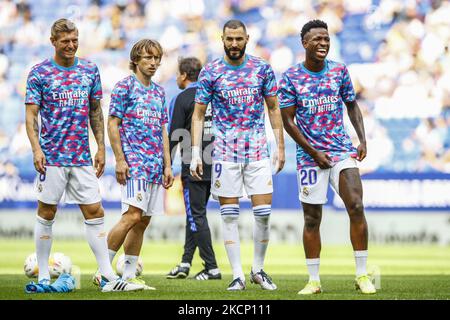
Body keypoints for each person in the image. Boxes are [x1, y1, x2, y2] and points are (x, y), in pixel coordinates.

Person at [24, 18, 143, 293]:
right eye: (65, 41)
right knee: (46, 211)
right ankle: (43, 276)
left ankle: (106, 276)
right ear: (53, 42)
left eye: (74, 40)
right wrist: (36, 149)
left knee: (94, 210)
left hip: (80, 156)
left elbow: (95, 111)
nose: (71, 45)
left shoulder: (89, 69)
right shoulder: (39, 73)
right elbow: (31, 116)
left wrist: (100, 147)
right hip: (51, 156)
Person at [278, 19, 376, 295]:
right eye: (317, 39)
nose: (323, 43)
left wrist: (362, 138)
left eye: (326, 38)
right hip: (310, 157)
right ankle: (314, 280)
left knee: (356, 205)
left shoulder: (339, 71)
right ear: (304, 44)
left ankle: (361, 275)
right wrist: (312, 152)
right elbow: (288, 121)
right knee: (312, 218)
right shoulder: (291, 77)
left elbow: (352, 105)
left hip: (341, 149)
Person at [190, 20, 285, 291]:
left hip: (257, 151)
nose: (234, 44)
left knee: (263, 214)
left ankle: (258, 269)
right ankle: (237, 274)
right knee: (230, 215)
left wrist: (279, 145)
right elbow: (198, 114)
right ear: (222, 38)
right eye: (229, 39)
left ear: (247, 38)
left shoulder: (262, 68)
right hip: (224, 153)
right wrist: (196, 153)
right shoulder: (211, 71)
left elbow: (274, 108)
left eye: (238, 39)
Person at [106, 39, 174, 290]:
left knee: (142, 221)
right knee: (131, 215)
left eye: (157, 58)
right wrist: (120, 159)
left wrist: (168, 165)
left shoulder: (159, 91)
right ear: (136, 59)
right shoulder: (124, 87)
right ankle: (104, 270)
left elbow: (163, 131)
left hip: (155, 165)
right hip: (135, 163)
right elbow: (113, 123)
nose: (154, 63)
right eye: (148, 58)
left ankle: (129, 274)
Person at [166, 57, 221, 280]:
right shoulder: (214, 97)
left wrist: (166, 165)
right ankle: (185, 262)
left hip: (194, 165)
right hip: (217, 164)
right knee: (195, 214)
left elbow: (173, 136)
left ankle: (212, 267)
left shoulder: (183, 97)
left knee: (196, 215)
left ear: (183, 75)